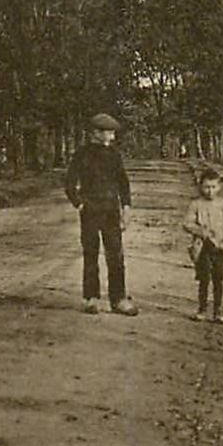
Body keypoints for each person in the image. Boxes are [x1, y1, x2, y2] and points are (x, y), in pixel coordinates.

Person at [63, 113, 137, 316]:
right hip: (90, 212)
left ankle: (118, 299)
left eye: (113, 132)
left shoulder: (115, 155)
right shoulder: (81, 154)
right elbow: (69, 183)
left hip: (111, 212)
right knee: (90, 254)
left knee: (116, 255)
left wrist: (127, 207)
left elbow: (123, 183)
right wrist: (79, 204)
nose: (112, 136)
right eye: (108, 131)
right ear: (95, 133)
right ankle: (91, 298)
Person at [182, 167, 223, 323]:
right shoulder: (196, 204)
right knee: (204, 278)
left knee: (218, 279)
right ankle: (202, 309)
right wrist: (201, 231)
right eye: (206, 187)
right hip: (203, 248)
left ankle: (218, 311)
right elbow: (187, 223)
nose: (210, 191)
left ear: (219, 187)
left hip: (220, 247)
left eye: (213, 187)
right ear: (200, 186)